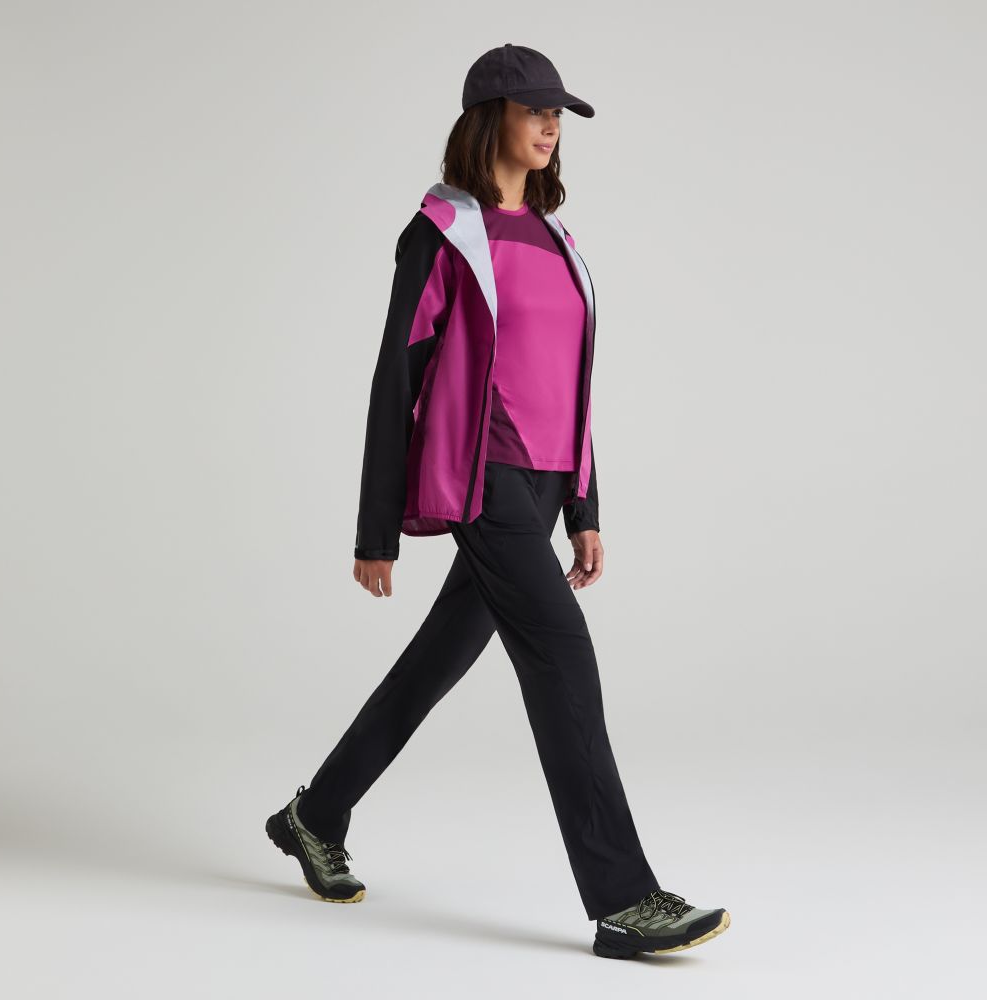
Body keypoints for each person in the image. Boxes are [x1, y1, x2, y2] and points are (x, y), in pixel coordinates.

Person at [266, 43, 731, 960]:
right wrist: (375, 528)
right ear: (491, 120)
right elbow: (395, 378)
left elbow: (570, 386)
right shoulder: (441, 234)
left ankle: (313, 816)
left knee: (435, 663)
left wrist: (585, 508)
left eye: (559, 114)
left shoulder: (559, 241)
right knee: (562, 656)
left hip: (547, 483)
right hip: (482, 482)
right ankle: (623, 901)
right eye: (535, 111)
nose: (552, 126)